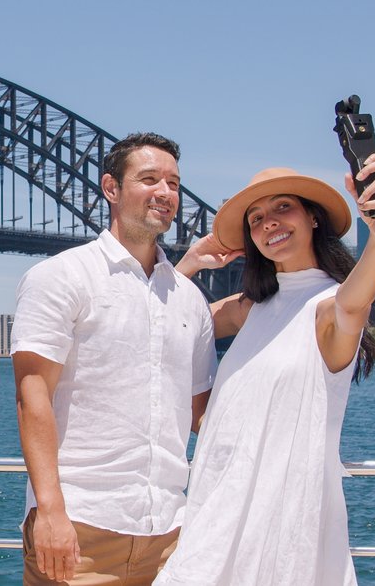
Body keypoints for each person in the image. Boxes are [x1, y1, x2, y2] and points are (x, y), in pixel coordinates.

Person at [154, 155, 375, 585]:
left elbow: (354, 303)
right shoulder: (252, 308)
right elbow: (167, 326)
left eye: (283, 207)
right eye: (255, 218)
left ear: (313, 218)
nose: (268, 222)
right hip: (216, 511)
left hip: (280, 523)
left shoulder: (328, 308)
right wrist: (189, 264)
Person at [12, 132, 219, 585]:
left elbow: (203, 415)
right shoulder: (60, 276)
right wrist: (49, 512)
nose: (165, 193)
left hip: (171, 534)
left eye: (174, 183)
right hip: (81, 530)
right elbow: (32, 397)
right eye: (149, 179)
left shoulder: (189, 299)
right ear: (111, 188)